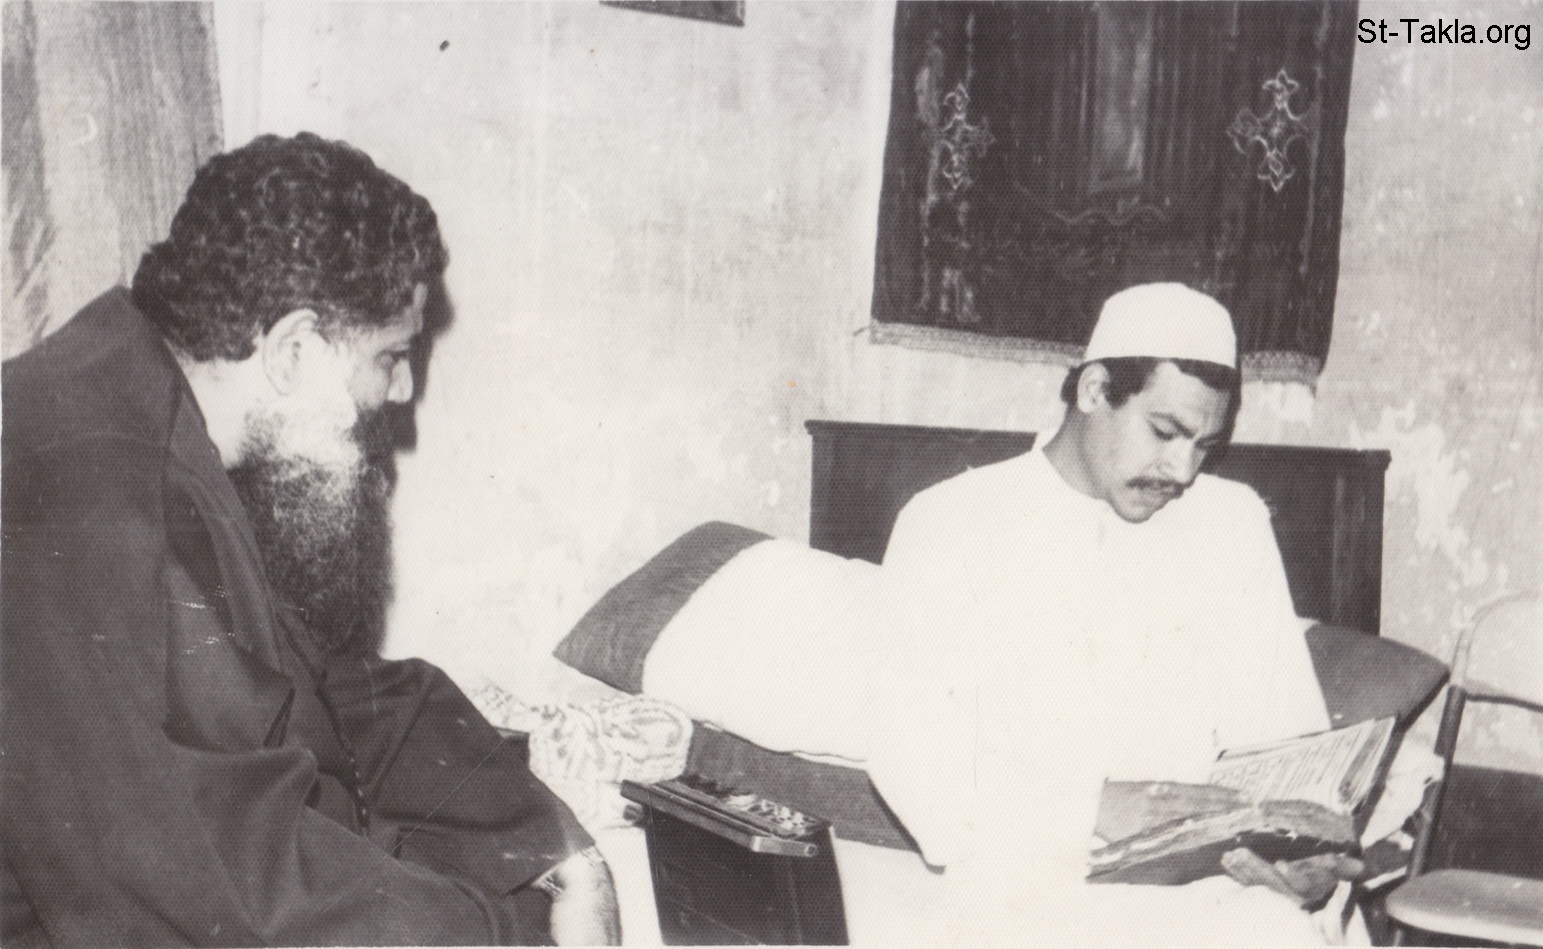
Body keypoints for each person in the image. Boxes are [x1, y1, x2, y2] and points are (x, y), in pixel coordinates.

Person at [1, 133, 619, 946]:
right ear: (293, 349)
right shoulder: (89, 484)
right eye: (390, 355)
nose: (401, 390)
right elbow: (210, 884)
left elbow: (321, 692)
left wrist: (552, 848)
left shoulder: (144, 408)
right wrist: (509, 930)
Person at [864, 283, 1351, 945]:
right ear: (1094, 390)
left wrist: (1302, 859)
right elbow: (917, 770)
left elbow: (1287, 735)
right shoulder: (951, 523)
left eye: (1204, 444)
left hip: (1213, 895)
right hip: (1027, 889)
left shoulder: (1231, 521)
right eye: (1164, 432)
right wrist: (1093, 806)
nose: (1182, 470)